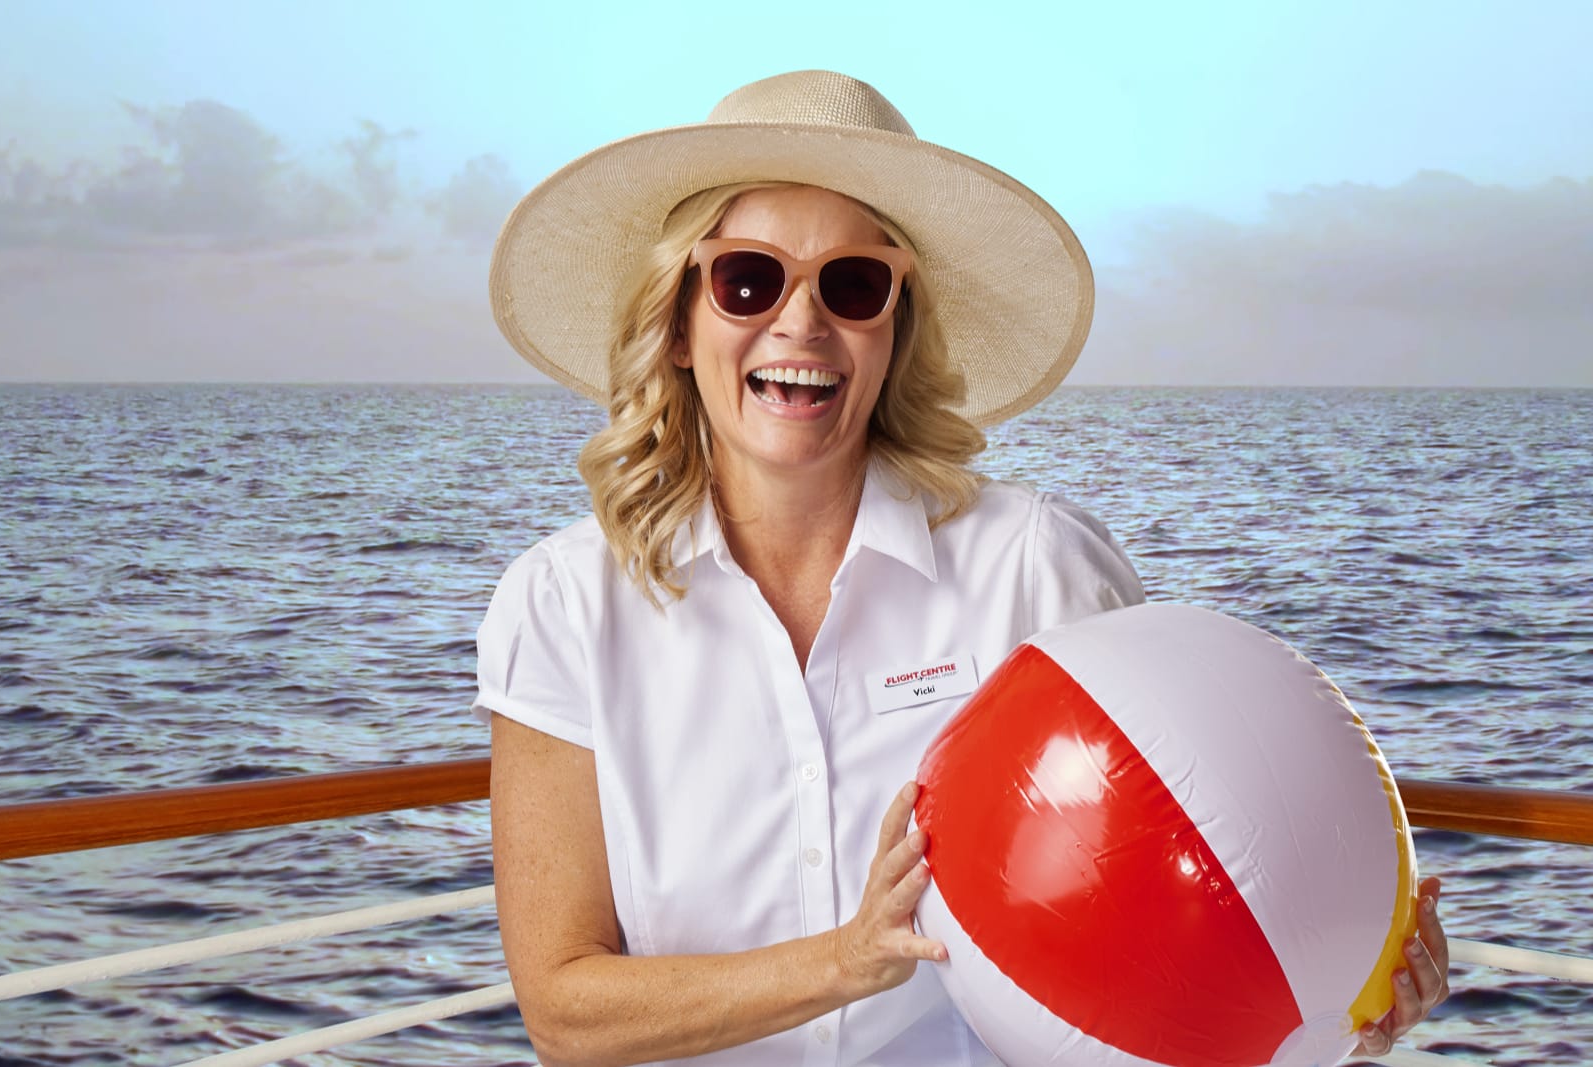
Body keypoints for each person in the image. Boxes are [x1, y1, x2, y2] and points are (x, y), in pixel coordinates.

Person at [473, 70, 1449, 1067]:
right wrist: (844, 960)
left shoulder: (1034, 563)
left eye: (853, 285)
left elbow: (1182, 860)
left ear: (893, 329)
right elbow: (563, 1006)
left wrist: (1339, 992)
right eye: (748, 279)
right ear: (681, 323)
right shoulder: (561, 606)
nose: (801, 323)